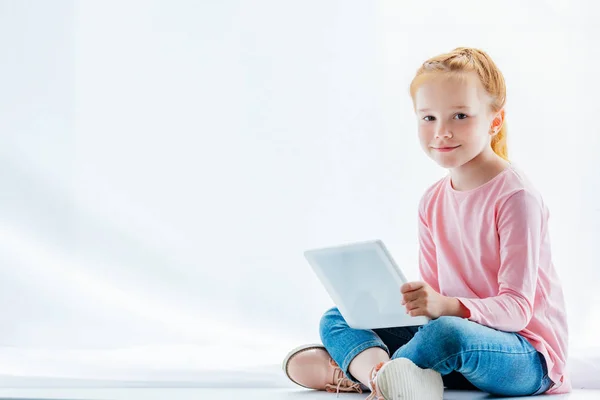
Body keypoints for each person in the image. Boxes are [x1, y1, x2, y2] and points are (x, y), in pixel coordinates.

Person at [282, 47, 570, 399]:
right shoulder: (432, 201)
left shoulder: (516, 196)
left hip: (524, 356)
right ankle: (385, 377)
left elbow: (517, 311)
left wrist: (446, 307)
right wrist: (417, 304)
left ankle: (365, 374)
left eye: (460, 115)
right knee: (340, 316)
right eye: (428, 118)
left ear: (495, 121)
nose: (442, 132)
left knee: (447, 333)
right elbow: (432, 308)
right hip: (454, 346)